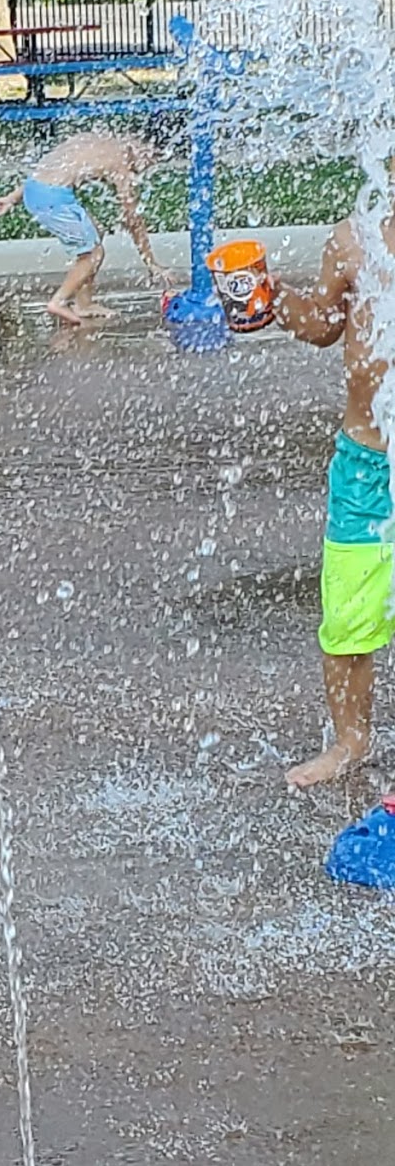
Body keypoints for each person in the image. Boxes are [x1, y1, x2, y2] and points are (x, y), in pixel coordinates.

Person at [272, 219, 394, 788]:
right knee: (346, 614)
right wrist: (282, 302)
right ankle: (350, 742)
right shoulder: (353, 239)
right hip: (366, 464)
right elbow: (324, 326)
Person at [0, 133, 170, 324]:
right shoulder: (121, 162)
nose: (144, 169)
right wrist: (151, 263)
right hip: (52, 199)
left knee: (95, 231)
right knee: (93, 253)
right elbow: (133, 219)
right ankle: (59, 301)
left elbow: (46, 170)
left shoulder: (90, 139)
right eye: (150, 162)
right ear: (143, 149)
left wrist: (12, 197)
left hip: (33, 190)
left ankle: (83, 304)